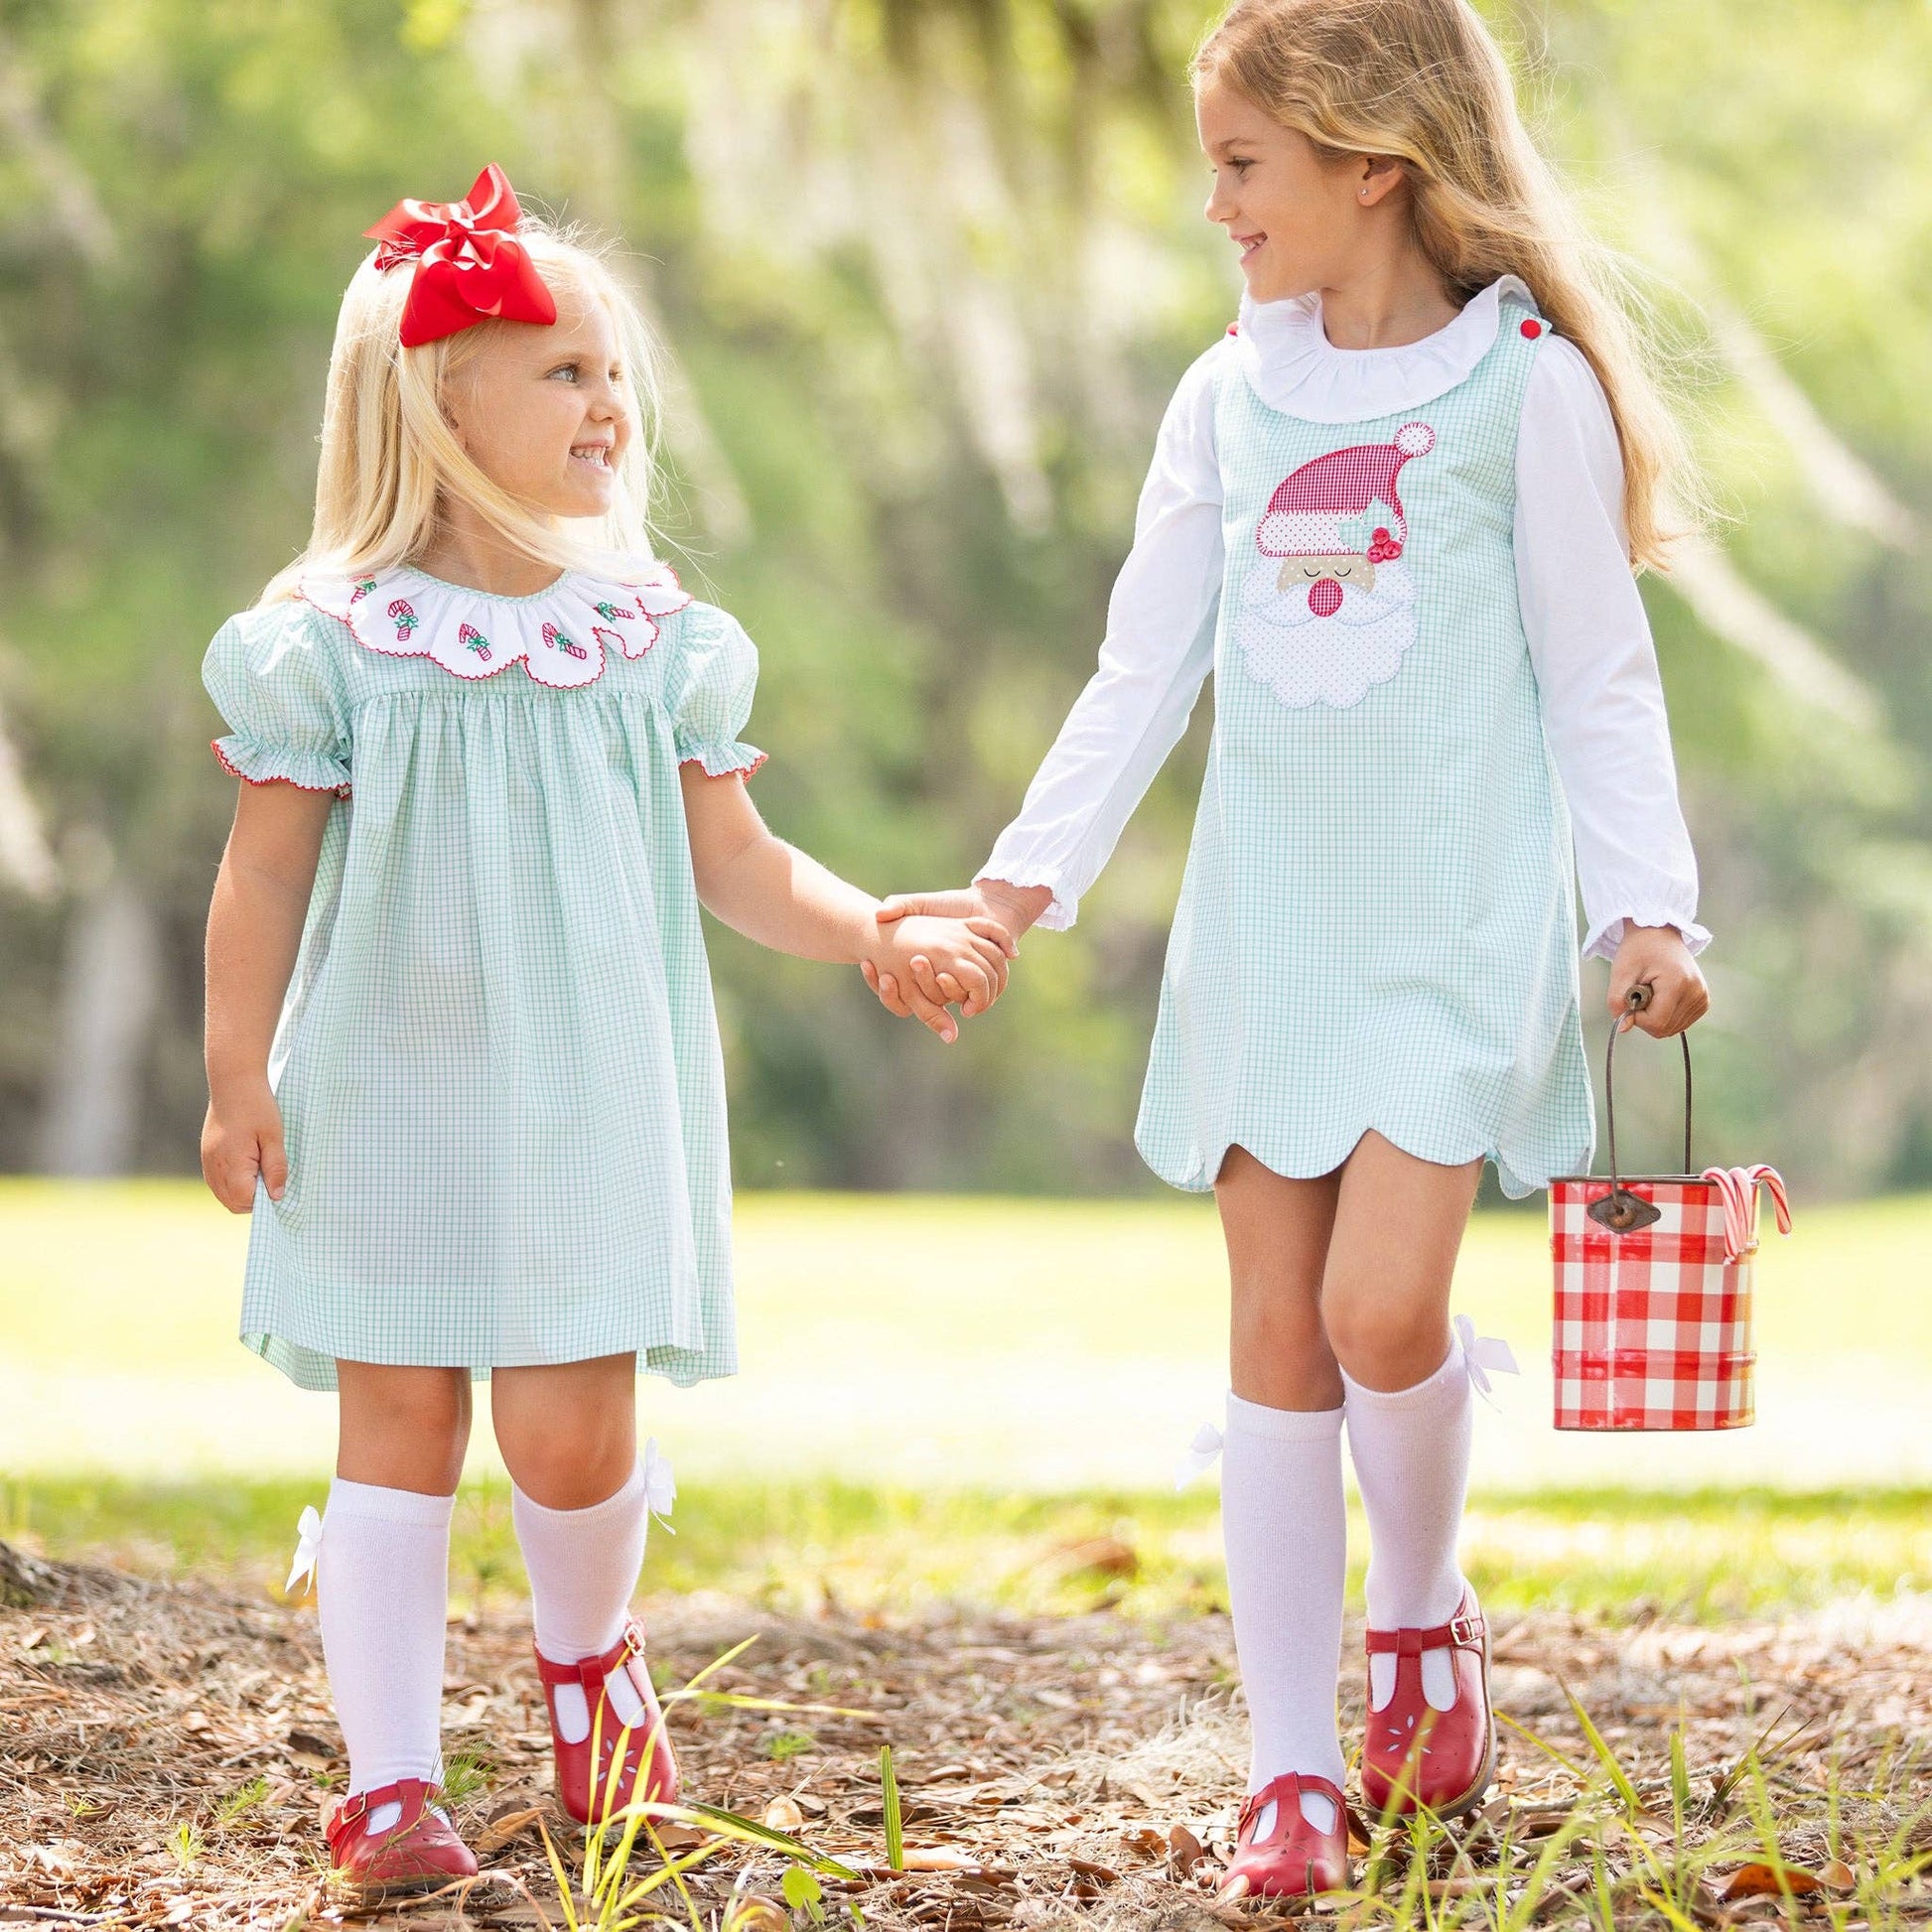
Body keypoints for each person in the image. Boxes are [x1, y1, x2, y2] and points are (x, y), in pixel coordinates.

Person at [867, 0, 1711, 1897]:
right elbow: (1139, 667)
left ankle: (1417, 1601)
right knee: (1271, 1333)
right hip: (1270, 929)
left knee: (1378, 1314)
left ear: (1368, 163)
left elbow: (1595, 669)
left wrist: (1643, 905)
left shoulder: (1526, 391)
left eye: (1242, 168)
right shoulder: (1224, 401)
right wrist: (1014, 888)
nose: (1220, 210)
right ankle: (1290, 1768)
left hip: (1453, 925)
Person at [199, 166, 1010, 1895]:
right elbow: (261, 880)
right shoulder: (332, 647)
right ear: (441, 400)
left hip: (590, 1090)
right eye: (564, 368)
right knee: (398, 1426)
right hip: (382, 1088)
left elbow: (736, 859)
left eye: (614, 373)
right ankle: (391, 1784)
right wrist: (231, 1075)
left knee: (575, 1434)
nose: (608, 402)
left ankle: (585, 1661)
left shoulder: (651, 643)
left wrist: (874, 922)